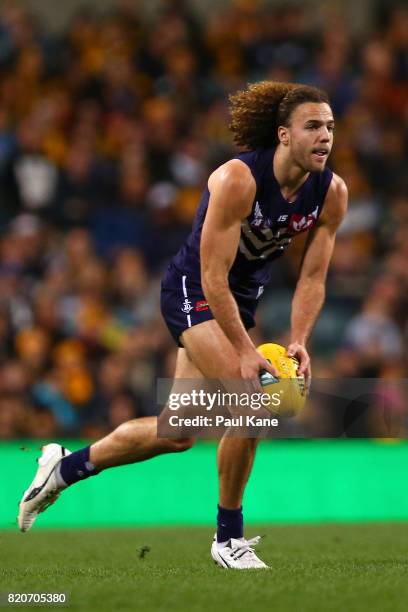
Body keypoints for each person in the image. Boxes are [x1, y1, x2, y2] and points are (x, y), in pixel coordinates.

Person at [18, 81, 347, 569]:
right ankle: (227, 539)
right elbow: (213, 277)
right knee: (251, 404)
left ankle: (62, 468)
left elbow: (313, 278)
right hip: (193, 293)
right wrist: (242, 350)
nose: (325, 137)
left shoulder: (331, 193)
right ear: (283, 135)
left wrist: (299, 340)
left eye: (331, 127)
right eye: (313, 126)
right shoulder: (238, 180)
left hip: (237, 303)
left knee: (178, 432)